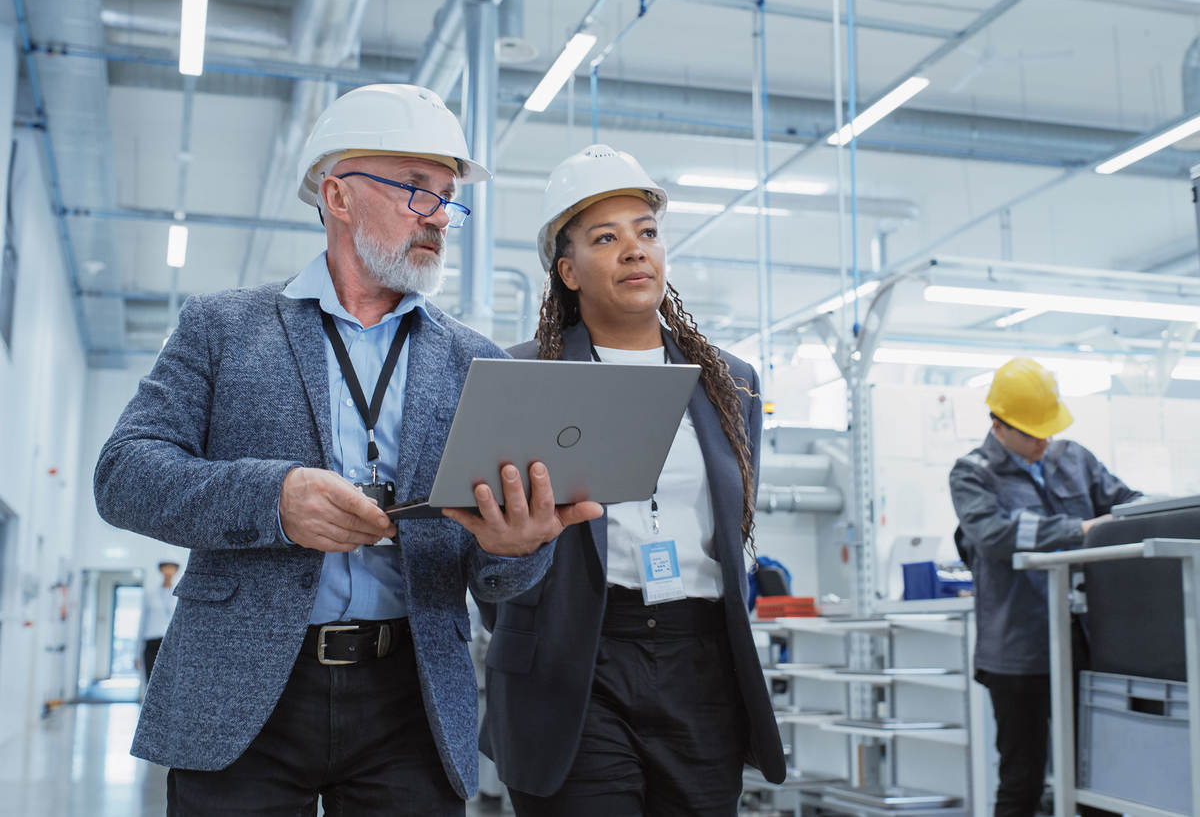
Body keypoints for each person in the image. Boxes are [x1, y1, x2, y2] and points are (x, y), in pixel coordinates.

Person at [94, 84, 600, 816]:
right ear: (336, 195)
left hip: (412, 698)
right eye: (414, 190)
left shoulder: (477, 363)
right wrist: (273, 500)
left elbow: (495, 583)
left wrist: (517, 548)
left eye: (448, 199)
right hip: (242, 690)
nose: (438, 217)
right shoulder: (223, 327)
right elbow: (124, 474)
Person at [479, 144, 786, 817]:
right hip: (573, 665)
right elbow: (487, 545)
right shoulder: (521, 376)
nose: (634, 250)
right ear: (567, 271)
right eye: (606, 238)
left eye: (646, 232)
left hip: (699, 662)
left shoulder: (731, 382)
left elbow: (734, 527)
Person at [950, 357, 1139, 817]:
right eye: (1032, 433)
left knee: (1101, 776)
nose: (1043, 441)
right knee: (1022, 780)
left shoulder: (1074, 458)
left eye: (1047, 430)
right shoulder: (972, 473)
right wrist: (1082, 530)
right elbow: (995, 535)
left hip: (1086, 643)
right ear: (999, 426)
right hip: (1018, 652)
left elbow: (1127, 505)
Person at [136, 560, 179, 683]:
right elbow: (142, 622)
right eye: (166, 567)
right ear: (161, 570)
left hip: (171, 643)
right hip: (151, 643)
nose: (168, 571)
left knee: (169, 682)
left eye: (171, 568)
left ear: (176, 571)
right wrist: (136, 653)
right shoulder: (150, 594)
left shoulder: (179, 595)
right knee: (150, 681)